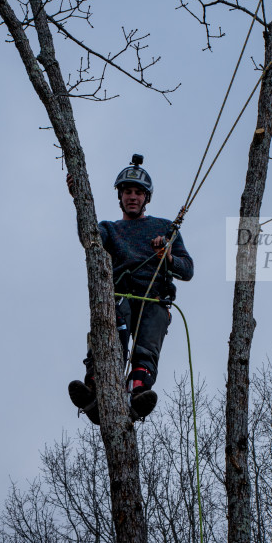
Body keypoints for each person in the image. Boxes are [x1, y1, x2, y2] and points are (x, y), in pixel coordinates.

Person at [66, 154, 193, 424]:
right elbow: (89, 238)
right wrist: (79, 201)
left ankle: (138, 391)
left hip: (153, 297)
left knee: (150, 333)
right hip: (120, 294)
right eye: (127, 192)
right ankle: (94, 387)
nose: (132, 197)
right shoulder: (110, 229)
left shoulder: (165, 229)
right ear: (120, 196)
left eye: (138, 192)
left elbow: (188, 269)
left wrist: (168, 257)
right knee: (113, 333)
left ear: (147, 198)